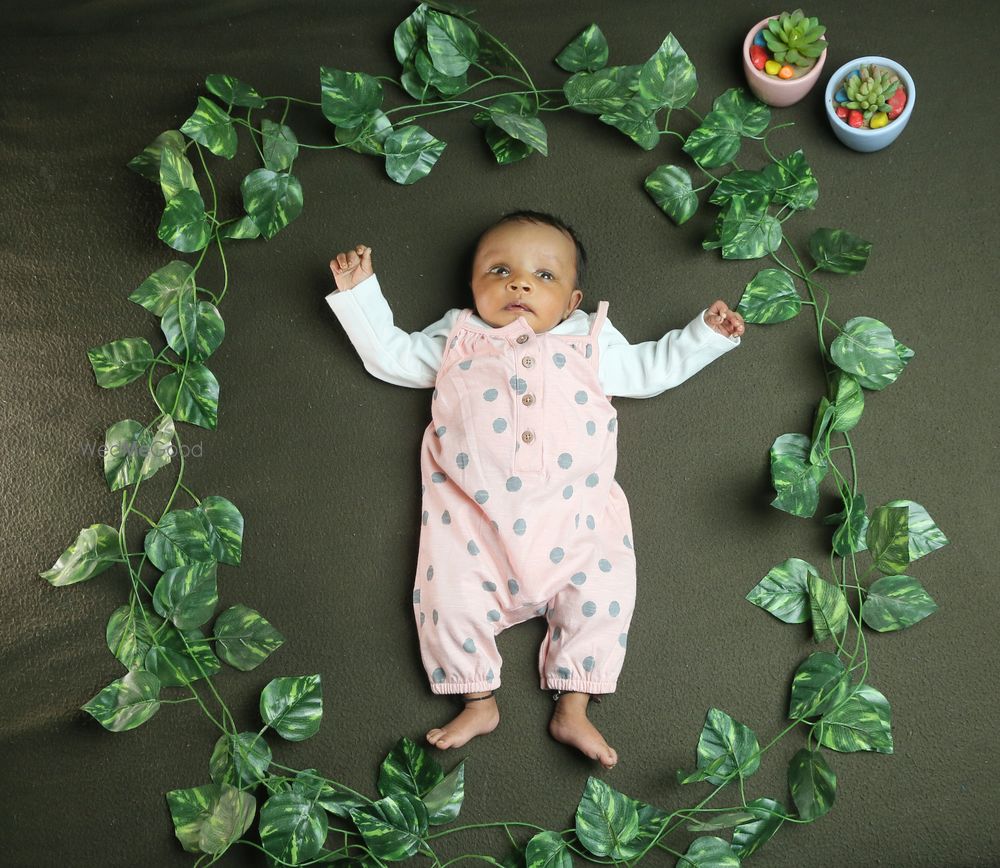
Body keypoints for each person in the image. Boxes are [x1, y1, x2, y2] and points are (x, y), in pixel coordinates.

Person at [326, 210, 745, 769]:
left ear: (572, 302)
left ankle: (575, 704)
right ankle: (477, 699)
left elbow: (650, 370)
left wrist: (704, 337)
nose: (519, 284)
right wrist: (360, 294)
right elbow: (391, 356)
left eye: (544, 276)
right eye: (499, 271)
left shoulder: (589, 343)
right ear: (473, 288)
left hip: (578, 521)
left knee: (604, 595)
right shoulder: (459, 338)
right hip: (472, 525)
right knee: (446, 597)